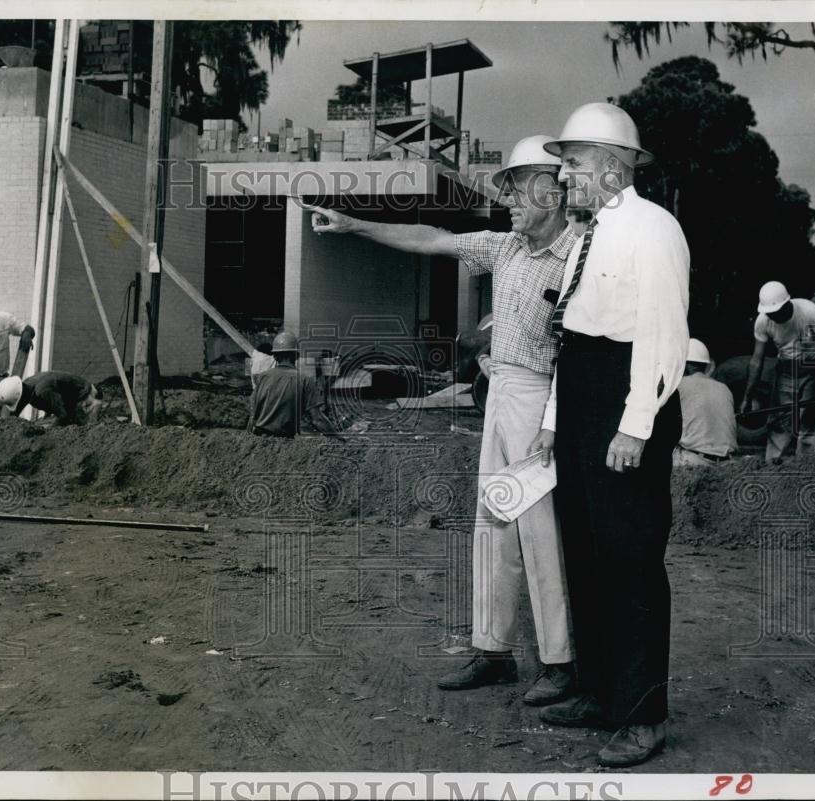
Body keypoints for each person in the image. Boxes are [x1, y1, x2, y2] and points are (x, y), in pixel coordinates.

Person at [312, 135, 577, 707]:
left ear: (552, 195)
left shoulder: (581, 256)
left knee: (541, 534)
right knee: (493, 527)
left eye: (516, 189)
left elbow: (581, 355)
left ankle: (561, 662)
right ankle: (494, 650)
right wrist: (354, 224)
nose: (505, 198)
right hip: (501, 396)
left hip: (541, 403)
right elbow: (433, 238)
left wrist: (553, 419)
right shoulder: (505, 248)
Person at [534, 103, 689, 767]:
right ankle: (599, 692)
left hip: (628, 404)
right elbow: (570, 337)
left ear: (612, 166)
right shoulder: (585, 235)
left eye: (571, 162)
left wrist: (635, 426)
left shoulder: (654, 229)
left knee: (629, 565)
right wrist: (550, 422)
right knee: (587, 556)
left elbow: (663, 332)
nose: (563, 173)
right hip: (582, 403)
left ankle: (643, 715)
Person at [740, 281, 815, 459]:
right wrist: (747, 396)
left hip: (814, 366)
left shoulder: (808, 311)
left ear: (787, 303)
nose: (772, 316)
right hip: (786, 369)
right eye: (769, 313)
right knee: (781, 420)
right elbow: (757, 360)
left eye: (775, 312)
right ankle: (773, 464)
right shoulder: (763, 321)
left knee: (809, 421)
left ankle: (806, 463)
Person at [247, 332, 338, 437]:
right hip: (283, 443)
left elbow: (253, 412)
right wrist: (339, 439)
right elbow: (317, 420)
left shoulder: (262, 377)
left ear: (275, 356)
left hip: (258, 440)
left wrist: (249, 439)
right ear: (297, 356)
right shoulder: (305, 380)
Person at [673, 338, 737, 466]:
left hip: (694, 461)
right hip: (727, 461)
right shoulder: (724, 388)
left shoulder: (678, 386)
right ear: (705, 365)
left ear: (683, 364)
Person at [0, 371, 103, 425]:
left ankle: (93, 406)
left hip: (84, 394)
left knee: (84, 427)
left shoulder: (42, 392)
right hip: (67, 396)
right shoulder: (27, 385)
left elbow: (63, 415)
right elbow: (18, 409)